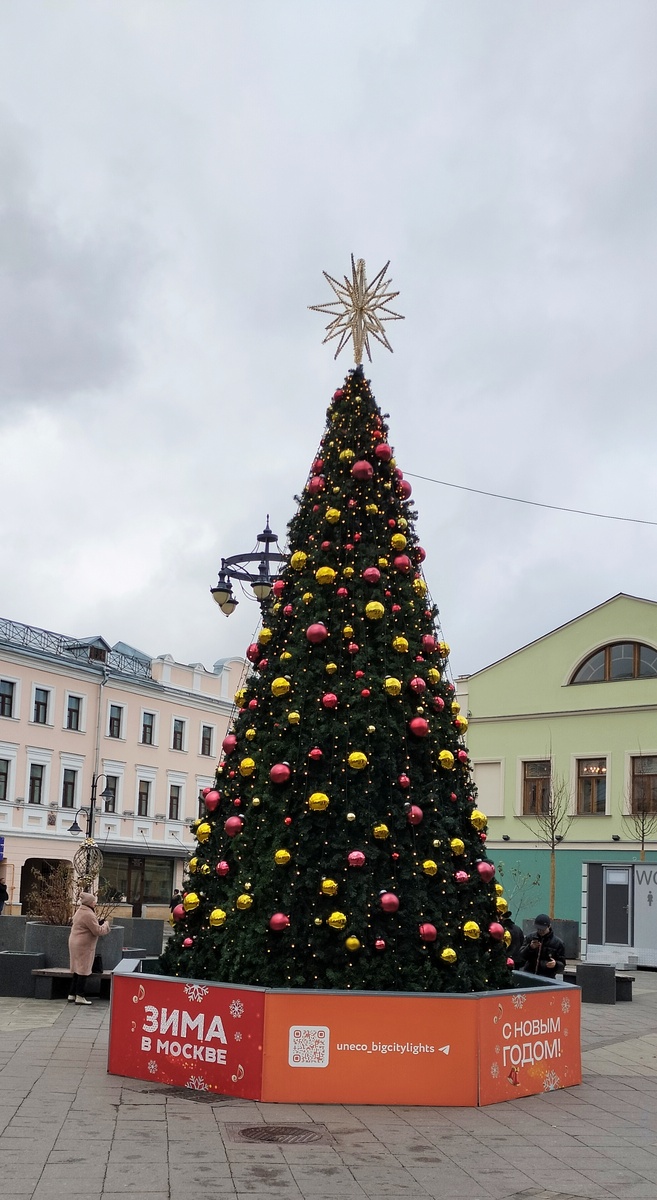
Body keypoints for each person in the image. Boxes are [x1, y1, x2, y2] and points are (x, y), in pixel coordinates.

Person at [68, 893, 110, 1005]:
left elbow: (88, 925)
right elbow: (97, 931)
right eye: (94, 901)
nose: (95, 903)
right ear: (90, 903)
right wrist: (105, 925)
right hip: (83, 945)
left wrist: (97, 923)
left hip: (74, 942)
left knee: (77, 968)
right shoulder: (88, 914)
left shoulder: (80, 911)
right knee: (83, 969)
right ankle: (80, 996)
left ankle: (72, 994)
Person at [517, 913, 565, 979]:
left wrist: (555, 964)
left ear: (549, 926)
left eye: (543, 929)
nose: (540, 931)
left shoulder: (558, 943)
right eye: (538, 929)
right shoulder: (530, 938)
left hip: (547, 978)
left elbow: (562, 965)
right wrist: (530, 948)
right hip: (529, 975)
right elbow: (521, 957)